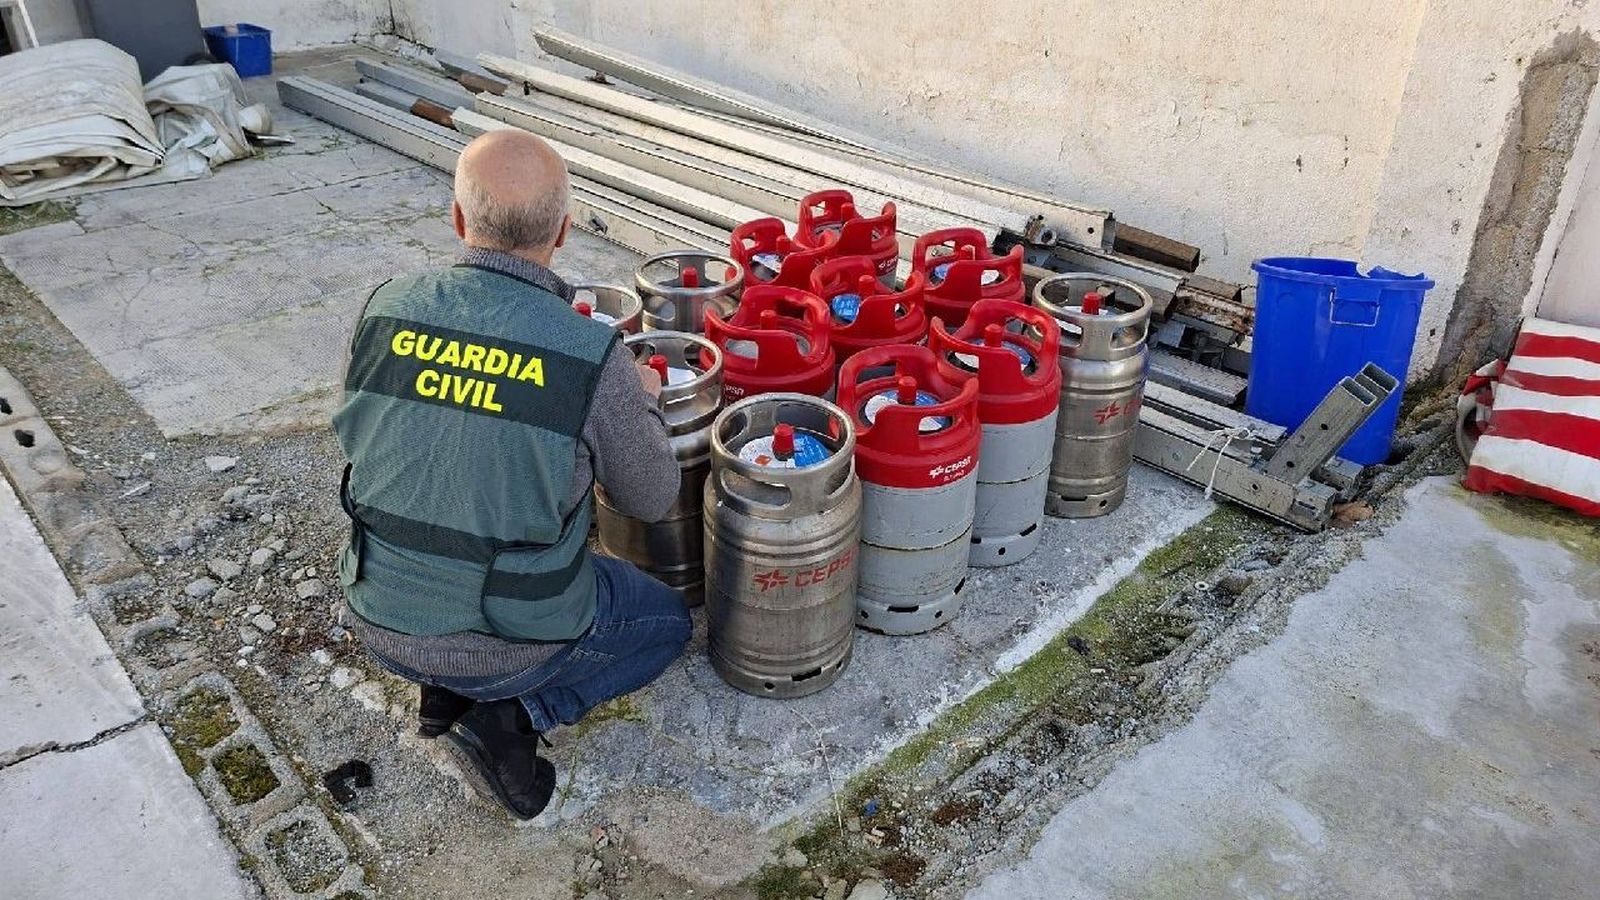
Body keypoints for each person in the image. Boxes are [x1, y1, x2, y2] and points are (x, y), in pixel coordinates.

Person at [332, 129, 691, 820]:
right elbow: (651, 499)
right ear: (562, 233)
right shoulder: (592, 354)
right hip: (510, 640)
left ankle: (447, 687)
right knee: (666, 622)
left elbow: (381, 435)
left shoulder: (384, 308)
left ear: (459, 220)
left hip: (378, 615)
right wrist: (637, 403)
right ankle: (512, 714)